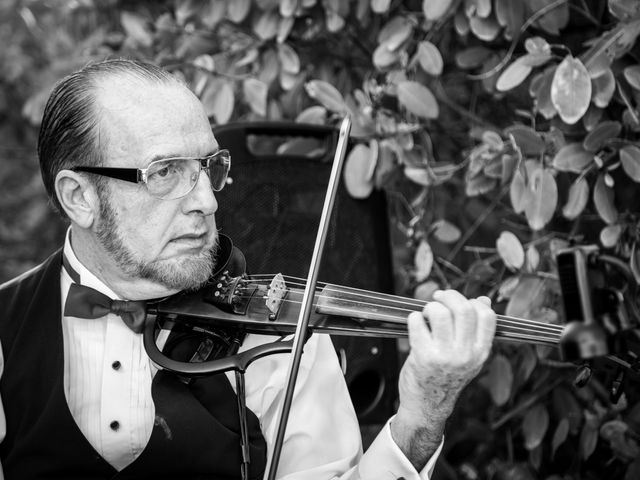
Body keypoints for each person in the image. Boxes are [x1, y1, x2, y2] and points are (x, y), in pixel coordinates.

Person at [0, 58, 496, 480]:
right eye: (165, 172)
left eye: (207, 167)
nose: (205, 201)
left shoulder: (279, 338)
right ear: (80, 197)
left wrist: (421, 416)